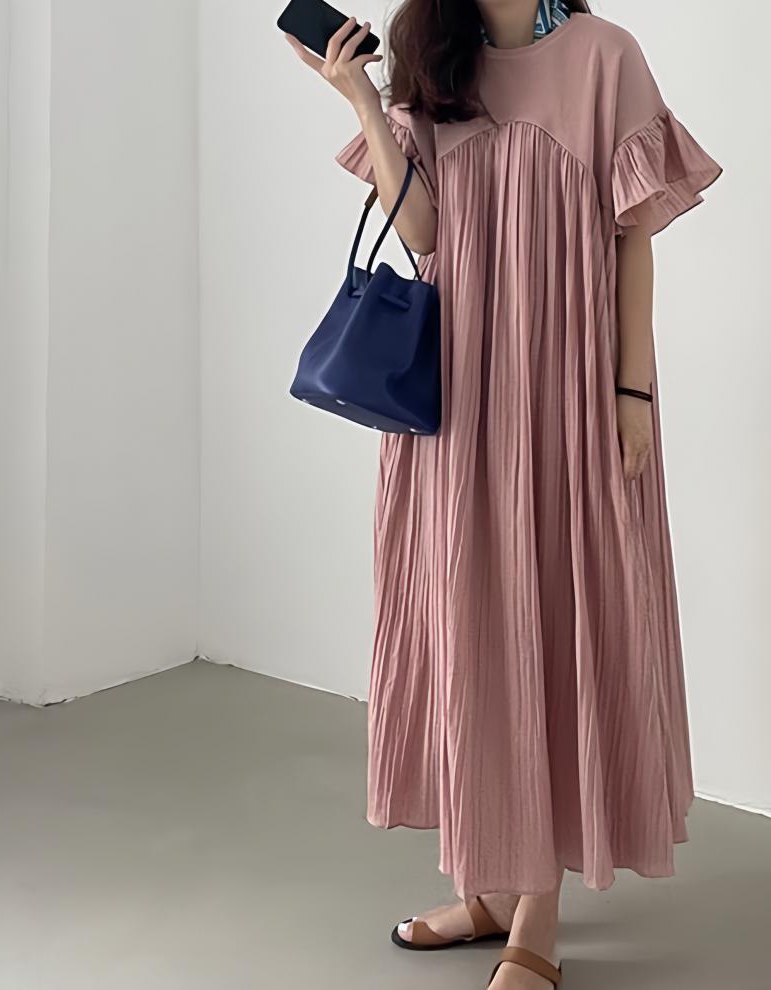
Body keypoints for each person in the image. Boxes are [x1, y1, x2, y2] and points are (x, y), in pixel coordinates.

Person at [285, 1, 721, 985]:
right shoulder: (434, 55)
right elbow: (425, 234)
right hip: (459, 401)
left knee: (556, 624)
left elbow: (634, 238)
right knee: (471, 630)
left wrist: (631, 392)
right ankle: (488, 886)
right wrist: (363, 99)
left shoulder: (606, 57)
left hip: (569, 396)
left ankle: (538, 911)